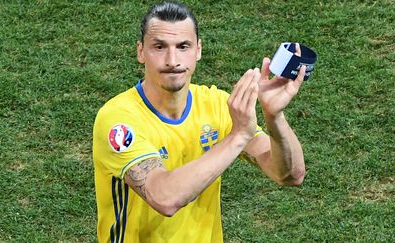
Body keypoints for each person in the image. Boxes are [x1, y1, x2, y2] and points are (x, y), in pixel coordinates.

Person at [93, 1, 306, 242]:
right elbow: (164, 197)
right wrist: (238, 136)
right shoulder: (118, 121)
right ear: (141, 52)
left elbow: (290, 175)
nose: (172, 60)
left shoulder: (216, 105)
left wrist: (274, 117)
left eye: (183, 46)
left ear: (198, 50)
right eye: (159, 46)